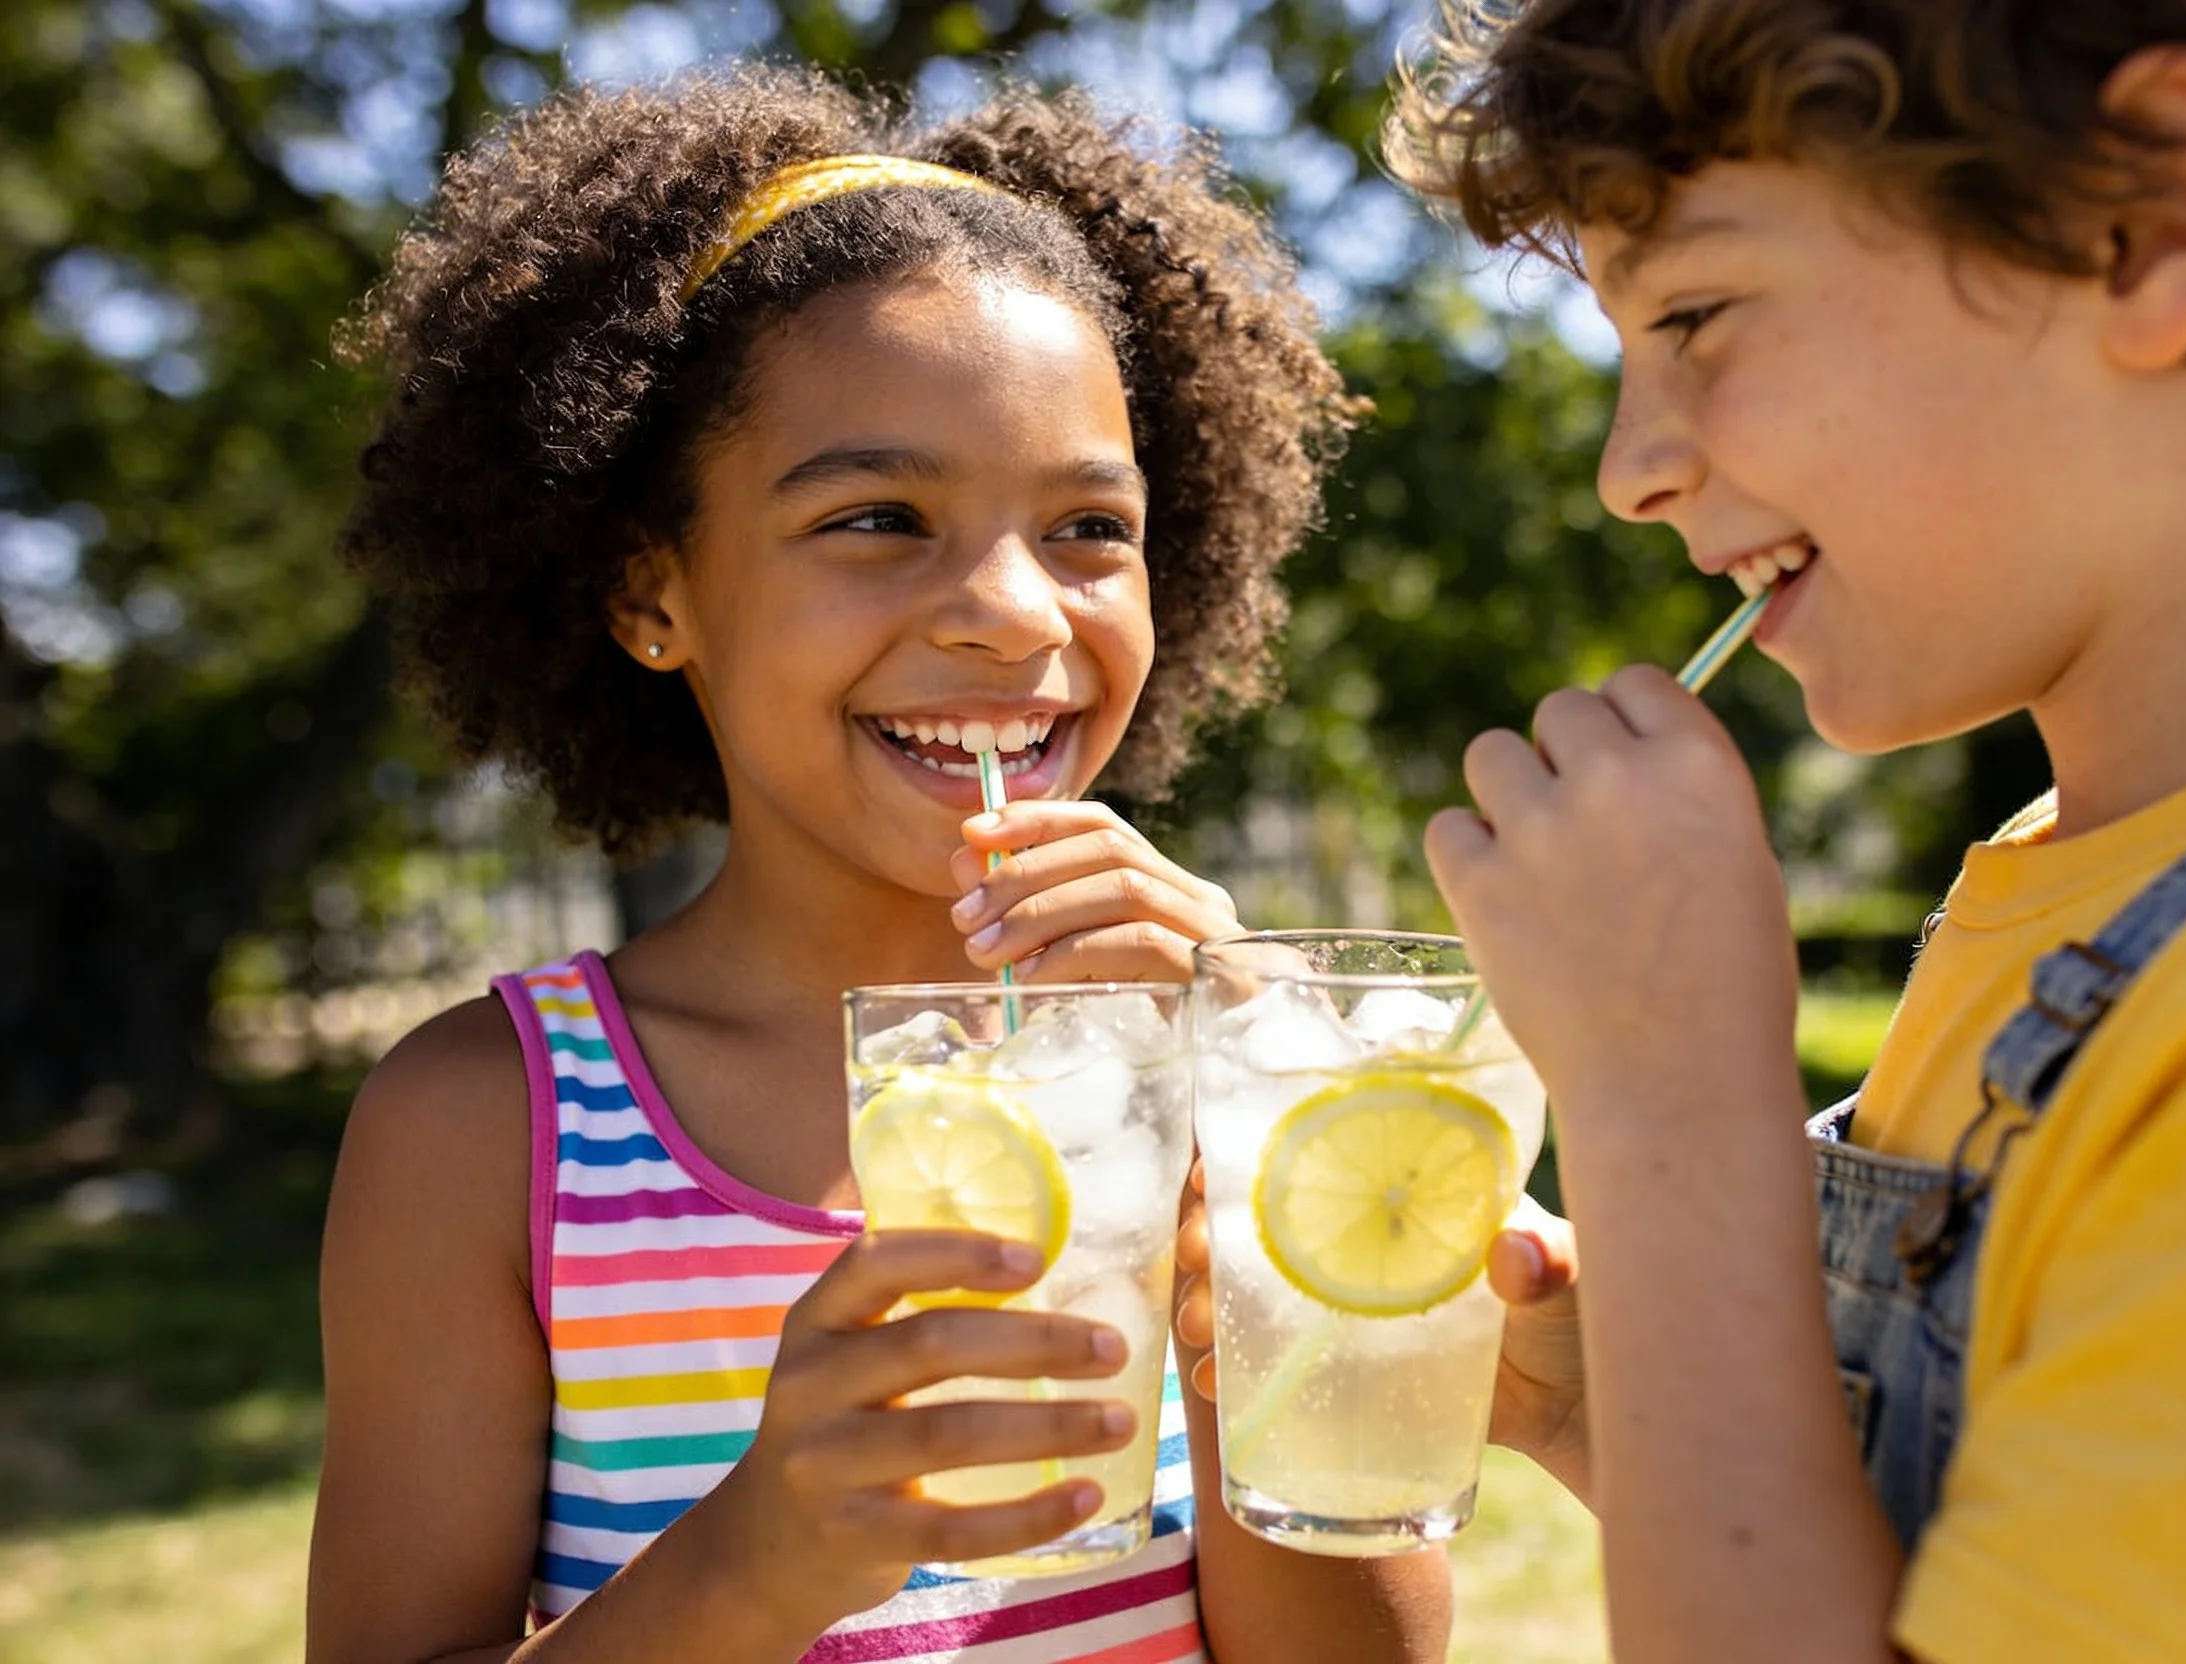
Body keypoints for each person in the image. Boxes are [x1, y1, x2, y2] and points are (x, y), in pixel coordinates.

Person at [1389, 1, 2186, 1659]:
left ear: (2157, 222)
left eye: (1695, 311)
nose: (1631, 468)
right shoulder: (2091, 889)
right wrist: (1616, 1414)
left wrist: (1668, 1119)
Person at [308, 64, 1452, 1664]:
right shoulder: (486, 1130)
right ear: (655, 596)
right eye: (875, 517)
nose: (1014, 611)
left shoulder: (1230, 1068)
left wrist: (1255, 1203)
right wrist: (749, 1569)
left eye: (1089, 529)